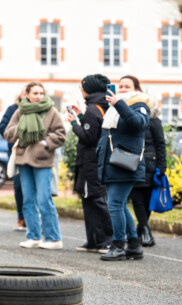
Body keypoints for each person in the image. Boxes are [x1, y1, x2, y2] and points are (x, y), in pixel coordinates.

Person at [4, 82, 66, 250]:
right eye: (35, 93)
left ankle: (54, 238)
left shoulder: (51, 111)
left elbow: (61, 135)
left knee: (44, 200)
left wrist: (45, 143)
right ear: (27, 95)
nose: (39, 96)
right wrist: (21, 129)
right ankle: (33, 236)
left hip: (43, 160)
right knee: (28, 200)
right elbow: (7, 133)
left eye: (41, 93)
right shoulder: (20, 111)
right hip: (23, 160)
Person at [97, 75, 152, 261]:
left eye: (126, 85)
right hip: (112, 163)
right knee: (119, 205)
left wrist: (119, 103)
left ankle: (119, 245)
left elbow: (138, 124)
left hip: (126, 163)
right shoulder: (114, 108)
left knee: (115, 204)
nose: (121, 88)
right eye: (119, 86)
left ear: (137, 88)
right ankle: (134, 246)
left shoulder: (140, 105)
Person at [67, 74, 113, 254]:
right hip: (97, 161)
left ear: (90, 88)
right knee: (90, 200)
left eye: (82, 86)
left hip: (90, 163)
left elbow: (88, 137)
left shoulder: (93, 109)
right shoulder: (101, 106)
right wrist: (80, 115)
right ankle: (94, 241)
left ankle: (106, 241)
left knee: (96, 200)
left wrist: (74, 124)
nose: (81, 89)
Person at [129, 104, 166, 247]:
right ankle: (146, 231)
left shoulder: (153, 120)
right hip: (131, 163)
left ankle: (141, 231)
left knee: (147, 199)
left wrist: (161, 168)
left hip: (150, 165)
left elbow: (160, 143)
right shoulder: (129, 117)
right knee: (137, 198)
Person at [0, 89, 26, 231]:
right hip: (16, 152)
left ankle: (34, 219)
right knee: (19, 186)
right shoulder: (13, 109)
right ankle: (21, 218)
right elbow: (3, 128)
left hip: (36, 154)